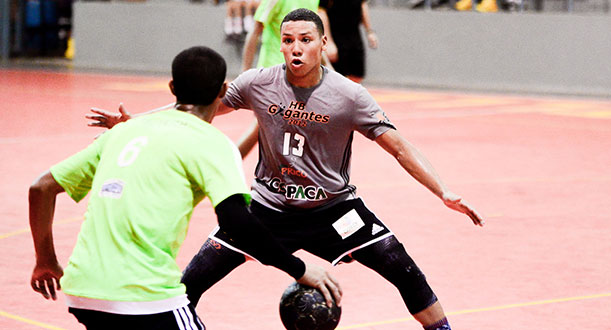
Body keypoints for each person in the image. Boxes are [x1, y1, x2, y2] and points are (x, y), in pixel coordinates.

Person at [88, 9, 484, 330]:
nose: (296, 48)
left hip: (333, 210)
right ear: (280, 45)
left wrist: (444, 191)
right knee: (186, 287)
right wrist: (132, 121)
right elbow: (195, 108)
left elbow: (398, 147)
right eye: (289, 40)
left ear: (323, 45)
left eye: (306, 40)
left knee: (405, 270)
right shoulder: (258, 83)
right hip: (267, 210)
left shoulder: (349, 95)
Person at [29, 45, 341, 329]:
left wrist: (45, 261)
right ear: (222, 91)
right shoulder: (212, 145)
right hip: (143, 296)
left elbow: (41, 187)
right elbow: (237, 223)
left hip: (82, 292)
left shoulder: (123, 133)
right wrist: (299, 268)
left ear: (172, 88)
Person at [318, 0, 378, 83]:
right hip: (336, 36)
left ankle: (350, 94)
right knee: (337, 75)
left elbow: (363, 5)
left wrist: (369, 31)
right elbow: (321, 12)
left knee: (357, 74)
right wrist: (329, 42)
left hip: (354, 34)